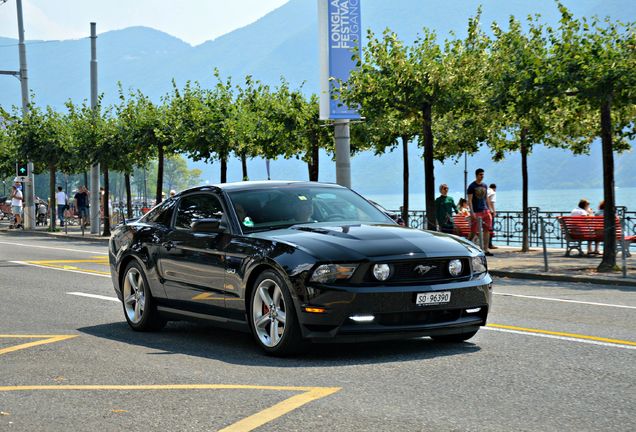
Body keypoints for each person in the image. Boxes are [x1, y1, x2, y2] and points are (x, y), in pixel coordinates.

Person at [467, 168, 494, 255]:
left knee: (487, 230)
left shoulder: (485, 186)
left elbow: (486, 198)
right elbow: (470, 200)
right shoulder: (472, 186)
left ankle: (486, 249)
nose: (482, 176)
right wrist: (472, 212)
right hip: (476, 211)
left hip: (485, 211)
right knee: (473, 231)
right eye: (480, 174)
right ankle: (467, 245)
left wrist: (490, 209)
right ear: (476, 175)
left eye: (483, 174)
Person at [487, 184, 498, 249]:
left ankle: (487, 243)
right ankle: (490, 244)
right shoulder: (493, 192)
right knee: (491, 228)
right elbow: (492, 202)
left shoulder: (486, 191)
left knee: (486, 229)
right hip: (490, 212)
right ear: (494, 188)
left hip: (484, 211)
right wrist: (493, 211)